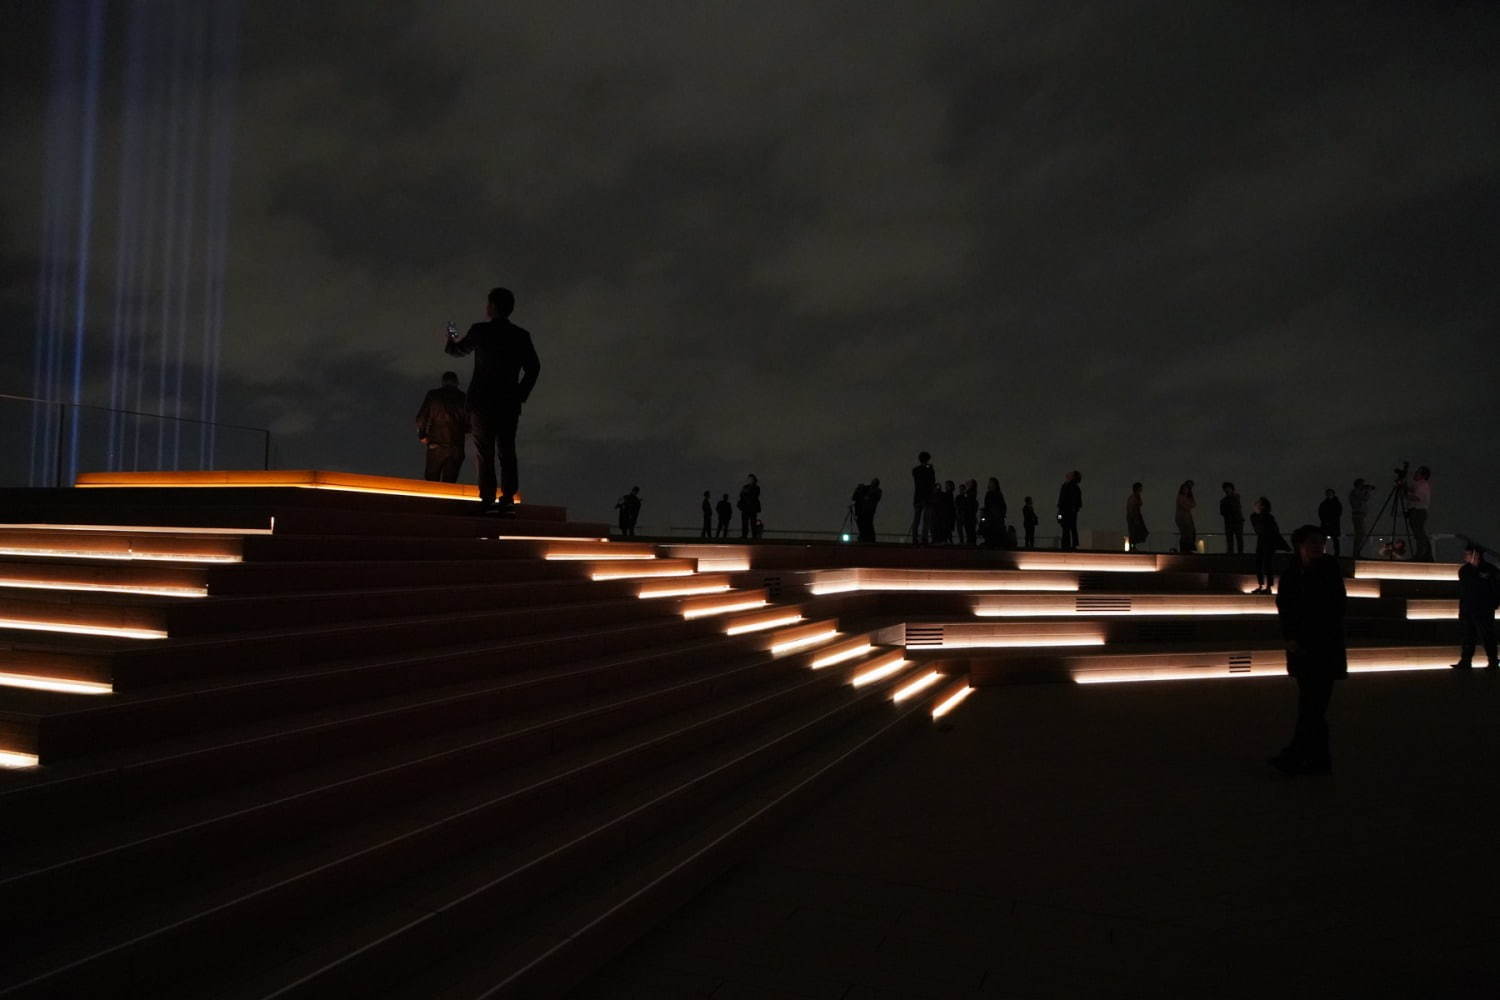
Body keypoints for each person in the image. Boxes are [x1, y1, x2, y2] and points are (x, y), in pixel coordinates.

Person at [444, 287, 541, 513]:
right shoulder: (521, 335)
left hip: (482, 402)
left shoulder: (480, 331)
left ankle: (487, 498)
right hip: (508, 403)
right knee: (507, 450)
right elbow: (534, 368)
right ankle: (507, 498)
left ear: (493, 307)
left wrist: (450, 335)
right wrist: (519, 394)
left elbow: (457, 351)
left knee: (484, 451)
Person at [1269, 525, 1347, 776]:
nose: (1319, 546)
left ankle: (1296, 756)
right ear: (1299, 545)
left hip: (1323, 648)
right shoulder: (1292, 572)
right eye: (1313, 542)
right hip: (1301, 649)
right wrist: (1290, 637)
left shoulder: (1329, 569)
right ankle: (1319, 761)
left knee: (1312, 707)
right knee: (1312, 707)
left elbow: (1336, 606)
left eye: (1321, 542)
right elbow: (1285, 606)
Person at [414, 371, 468, 483]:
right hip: (456, 446)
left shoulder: (433, 395)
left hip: (436, 445)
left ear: (443, 382)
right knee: (450, 482)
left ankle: (431, 501)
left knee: (431, 481)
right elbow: (471, 423)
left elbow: (421, 417)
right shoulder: (464, 398)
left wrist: (422, 435)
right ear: (457, 383)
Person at [1452, 543, 1499, 670]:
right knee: (1468, 635)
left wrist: (1493, 603)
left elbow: (1496, 588)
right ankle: (1466, 661)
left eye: (1467, 554)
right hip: (1468, 608)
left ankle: (1493, 661)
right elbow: (1464, 590)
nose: (1464, 556)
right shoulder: (1464, 570)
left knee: (1487, 635)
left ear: (1475, 555)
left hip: (1483, 608)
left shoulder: (1490, 570)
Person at [1250, 497, 1287, 594]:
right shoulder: (1257, 517)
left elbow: (1272, 530)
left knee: (1266, 564)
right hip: (1263, 541)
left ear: (1262, 506)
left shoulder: (1267, 517)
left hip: (1268, 542)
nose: (1255, 505)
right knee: (1261, 563)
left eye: (1257, 504)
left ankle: (1267, 587)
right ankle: (1263, 586)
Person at [1406, 465, 1432, 560]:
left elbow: (1417, 497)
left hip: (1418, 512)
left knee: (1419, 534)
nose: (1415, 474)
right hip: (1418, 512)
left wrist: (1405, 494)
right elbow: (1412, 490)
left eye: (1418, 472)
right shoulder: (1420, 485)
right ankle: (1424, 554)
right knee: (1419, 533)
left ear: (1422, 475)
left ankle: (1421, 555)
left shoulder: (1422, 485)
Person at [910, 452, 936, 544]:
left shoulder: (915, 470)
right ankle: (924, 538)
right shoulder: (929, 470)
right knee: (926, 519)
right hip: (927, 497)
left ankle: (914, 538)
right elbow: (932, 482)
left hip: (918, 497)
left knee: (916, 518)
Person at [1057, 471, 1082, 551]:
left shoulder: (1066, 486)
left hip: (1065, 511)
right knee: (1072, 527)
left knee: (1065, 528)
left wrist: (1060, 512)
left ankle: (1066, 545)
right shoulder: (1075, 487)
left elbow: (1062, 500)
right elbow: (1078, 502)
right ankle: (1073, 544)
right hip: (1070, 511)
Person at [1348, 478, 1374, 556]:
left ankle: (1356, 552)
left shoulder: (1355, 492)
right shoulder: (1355, 492)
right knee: (1360, 534)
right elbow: (1364, 498)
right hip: (1358, 514)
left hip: (1359, 514)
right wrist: (1368, 491)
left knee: (1360, 534)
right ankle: (1356, 553)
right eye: (1362, 484)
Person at [980, 477, 1007, 547]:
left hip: (995, 517)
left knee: (995, 532)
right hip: (991, 517)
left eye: (991, 483)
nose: (989, 484)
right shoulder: (990, 494)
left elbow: (1002, 506)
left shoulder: (997, 494)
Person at [854, 477, 882, 543]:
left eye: (874, 482)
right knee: (861, 524)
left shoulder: (877, 491)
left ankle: (869, 539)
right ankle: (863, 537)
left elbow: (874, 497)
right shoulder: (867, 489)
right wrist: (859, 490)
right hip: (861, 511)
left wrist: (866, 495)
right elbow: (855, 498)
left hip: (869, 511)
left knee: (868, 524)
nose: (872, 483)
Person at [1317, 488, 1343, 557]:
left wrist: (1327, 521)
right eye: (1328, 493)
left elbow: (1338, 513)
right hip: (1330, 524)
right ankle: (1325, 552)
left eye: (1330, 493)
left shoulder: (1326, 503)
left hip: (1331, 524)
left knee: (1333, 539)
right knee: (1329, 539)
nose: (1329, 495)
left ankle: (1333, 553)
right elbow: (1321, 513)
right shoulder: (1333, 503)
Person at [1219, 482, 1244, 554]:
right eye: (1226, 488)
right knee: (1231, 539)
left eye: (1228, 488)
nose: (1227, 490)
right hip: (1230, 522)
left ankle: (1239, 553)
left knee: (1238, 538)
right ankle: (1232, 553)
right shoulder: (1224, 500)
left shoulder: (1235, 497)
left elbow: (1235, 508)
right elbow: (1222, 512)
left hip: (1236, 521)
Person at [1174, 480, 1197, 553]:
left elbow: (1193, 504)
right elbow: (1185, 506)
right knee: (1185, 534)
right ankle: (1184, 549)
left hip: (1187, 517)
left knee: (1190, 533)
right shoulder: (1180, 497)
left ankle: (1187, 549)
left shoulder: (1187, 497)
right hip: (1182, 518)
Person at [1126, 482, 1149, 552]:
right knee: (1134, 533)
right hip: (1133, 517)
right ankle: (1132, 547)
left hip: (1136, 517)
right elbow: (1131, 509)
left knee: (1138, 533)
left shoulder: (1136, 497)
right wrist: (1134, 518)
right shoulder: (1133, 498)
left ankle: (1133, 546)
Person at [738, 474, 761, 539]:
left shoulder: (756, 487)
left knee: (753, 522)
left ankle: (753, 536)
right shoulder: (746, 487)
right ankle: (744, 535)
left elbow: (754, 496)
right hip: (746, 507)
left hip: (752, 508)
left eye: (751, 479)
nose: (749, 480)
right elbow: (741, 495)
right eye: (749, 479)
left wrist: (746, 493)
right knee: (745, 522)